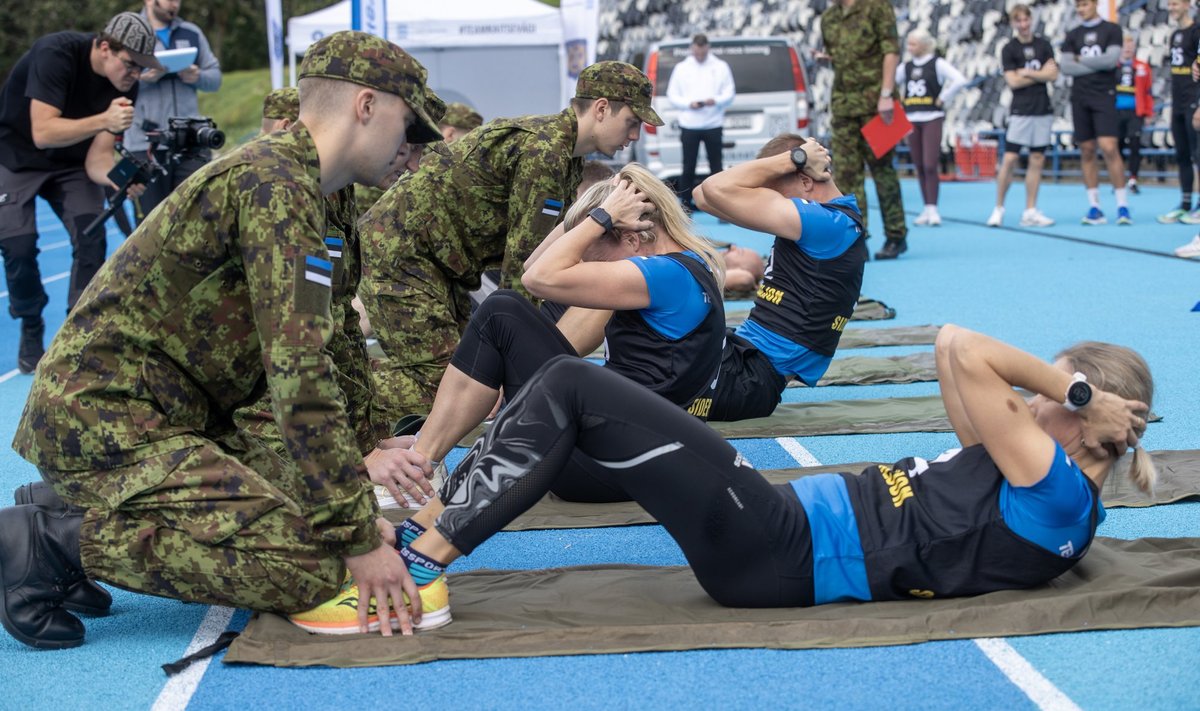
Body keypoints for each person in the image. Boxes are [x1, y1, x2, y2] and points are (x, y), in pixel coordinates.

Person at [0, 31, 446, 650]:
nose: (412, 146)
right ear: (366, 106)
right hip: (103, 419)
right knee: (309, 567)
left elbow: (339, 337)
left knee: (322, 510)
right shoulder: (274, 186)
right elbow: (300, 372)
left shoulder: (327, 194)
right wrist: (356, 534)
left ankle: (63, 505)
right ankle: (47, 543)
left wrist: (360, 456)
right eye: (409, 125)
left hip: (171, 419)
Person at [294, 324, 1151, 632]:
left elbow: (966, 342)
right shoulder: (1025, 469)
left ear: (1085, 414)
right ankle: (430, 505)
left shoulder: (1056, 492)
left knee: (569, 383)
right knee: (518, 327)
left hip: (777, 551)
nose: (1032, 389)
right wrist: (1070, 391)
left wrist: (1074, 389)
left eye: (1054, 384)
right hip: (773, 530)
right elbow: (951, 359)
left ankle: (421, 561)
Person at [365, 163, 726, 513]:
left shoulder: (663, 275)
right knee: (506, 313)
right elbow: (532, 264)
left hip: (607, 467)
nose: (591, 268)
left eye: (595, 260)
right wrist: (592, 210)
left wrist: (600, 217)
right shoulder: (689, 264)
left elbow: (536, 278)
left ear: (632, 238)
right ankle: (423, 451)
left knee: (501, 313)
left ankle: (418, 467)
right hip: (634, 459)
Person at [358, 60, 663, 423]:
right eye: (632, 122)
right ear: (601, 109)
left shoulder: (564, 156)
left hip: (438, 264)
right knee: (442, 388)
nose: (634, 137)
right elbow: (523, 273)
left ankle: (348, 381)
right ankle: (330, 393)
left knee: (467, 379)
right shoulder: (545, 151)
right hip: (402, 254)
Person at [233, 86, 444, 508]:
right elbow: (289, 357)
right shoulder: (278, 189)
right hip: (190, 418)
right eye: (406, 138)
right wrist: (354, 461)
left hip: (257, 399)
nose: (413, 161)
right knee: (307, 548)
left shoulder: (335, 188)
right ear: (365, 110)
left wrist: (370, 441)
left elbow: (341, 322)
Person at [0, 12, 162, 374]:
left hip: (73, 165)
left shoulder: (124, 85)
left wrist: (118, 180)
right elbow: (42, 132)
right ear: (105, 48)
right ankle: (30, 320)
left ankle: (79, 333)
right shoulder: (54, 54)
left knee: (92, 237)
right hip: (16, 157)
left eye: (141, 69)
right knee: (18, 246)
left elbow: (98, 161)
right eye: (131, 65)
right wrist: (103, 119)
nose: (135, 75)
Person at [694, 134, 867, 421]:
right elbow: (703, 195)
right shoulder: (834, 220)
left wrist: (794, 158)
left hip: (750, 379)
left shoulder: (827, 224)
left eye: (774, 194)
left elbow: (714, 187)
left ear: (806, 181)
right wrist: (783, 165)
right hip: (741, 358)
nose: (769, 202)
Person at [821, 0, 908, 259]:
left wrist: (886, 94)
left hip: (877, 105)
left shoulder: (877, 7)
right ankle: (858, 237)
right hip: (844, 105)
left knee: (883, 171)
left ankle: (896, 235)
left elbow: (891, 51)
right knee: (847, 175)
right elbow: (838, 55)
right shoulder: (829, 17)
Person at [124, 0, 222, 223]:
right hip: (145, 144)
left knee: (197, 220)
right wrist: (143, 79)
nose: (174, 4)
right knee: (151, 226)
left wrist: (198, 77)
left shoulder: (191, 32)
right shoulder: (131, 32)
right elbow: (112, 81)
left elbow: (215, 79)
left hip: (189, 143)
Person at [989, 4, 1059, 228]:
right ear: (1013, 23)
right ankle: (998, 208)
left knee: (1037, 159)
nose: (1023, 24)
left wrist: (1028, 72)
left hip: (1042, 108)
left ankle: (1030, 210)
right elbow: (1013, 81)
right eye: (1018, 20)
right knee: (1010, 159)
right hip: (1020, 109)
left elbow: (1053, 74)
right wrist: (1041, 75)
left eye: (1026, 19)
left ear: (1031, 20)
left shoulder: (1044, 45)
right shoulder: (1009, 49)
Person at [1061, 0, 1129, 225]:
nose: (1081, 9)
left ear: (1095, 4)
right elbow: (1066, 66)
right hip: (1080, 97)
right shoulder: (1072, 34)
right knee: (1087, 150)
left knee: (1110, 147)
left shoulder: (1111, 29)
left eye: (1085, 4)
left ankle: (1122, 205)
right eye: (1078, 6)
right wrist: (1095, 64)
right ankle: (1095, 206)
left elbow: (1111, 61)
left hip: (1104, 95)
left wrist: (1081, 60)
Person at [896, 28, 968, 227]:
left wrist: (943, 97)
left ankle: (934, 207)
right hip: (911, 117)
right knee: (918, 164)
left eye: (914, 44)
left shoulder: (937, 63)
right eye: (908, 44)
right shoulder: (906, 67)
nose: (910, 48)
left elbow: (960, 80)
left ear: (925, 45)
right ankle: (926, 208)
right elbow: (891, 84)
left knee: (930, 163)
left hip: (932, 116)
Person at [666, 33, 736, 209]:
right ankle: (685, 205)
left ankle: (721, 205)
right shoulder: (682, 68)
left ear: (707, 48)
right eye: (697, 52)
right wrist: (688, 104)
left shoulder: (720, 66)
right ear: (692, 48)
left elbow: (729, 92)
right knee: (688, 166)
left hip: (713, 123)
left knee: (716, 166)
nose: (700, 56)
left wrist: (717, 100)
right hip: (689, 123)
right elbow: (672, 95)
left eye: (702, 53)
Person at [1157, 0, 1200, 225]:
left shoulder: (1196, 32)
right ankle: (1184, 203)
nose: (1171, 7)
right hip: (1178, 101)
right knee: (1182, 153)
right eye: (1169, 4)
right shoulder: (1175, 35)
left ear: (1187, 5)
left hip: (1194, 99)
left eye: (1175, 3)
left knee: (1198, 154)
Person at [1114, 33, 1153, 195]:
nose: (1128, 49)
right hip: (1116, 112)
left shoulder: (1142, 67)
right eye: (1125, 46)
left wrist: (1149, 112)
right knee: (1117, 145)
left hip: (1135, 112)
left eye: (1131, 46)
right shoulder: (1113, 67)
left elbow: (1148, 91)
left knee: (1135, 143)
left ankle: (1133, 179)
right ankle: (1118, 178)